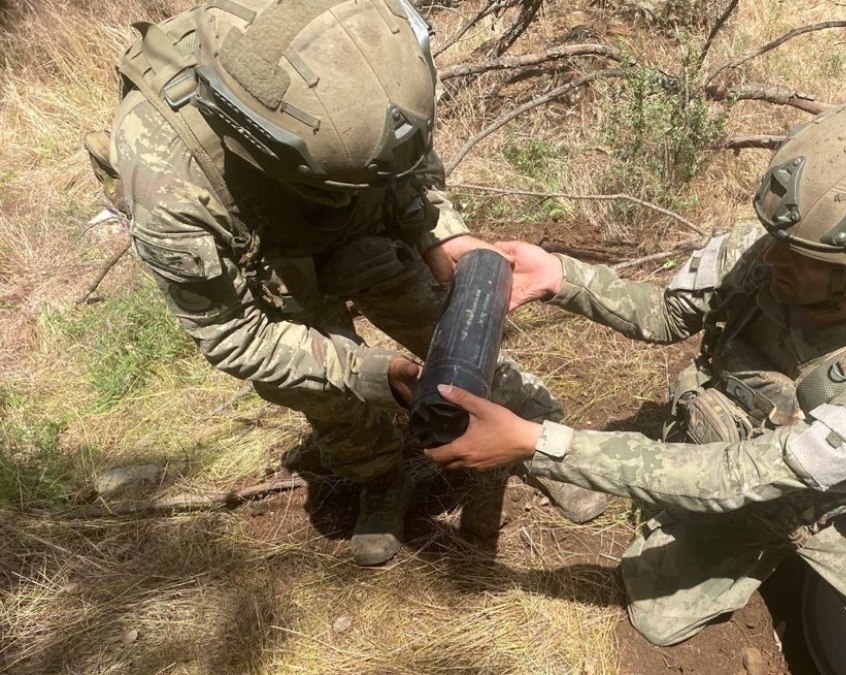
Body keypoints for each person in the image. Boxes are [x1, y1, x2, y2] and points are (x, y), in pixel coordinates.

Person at [424, 101, 846, 673]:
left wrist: (540, 443)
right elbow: (663, 314)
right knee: (656, 618)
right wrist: (562, 276)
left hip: (835, 514)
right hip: (721, 443)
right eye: (777, 237)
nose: (774, 256)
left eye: (804, 254)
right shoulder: (761, 252)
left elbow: (743, 475)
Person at [87, 0, 606, 567]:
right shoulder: (166, 176)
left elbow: (405, 155)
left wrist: (441, 234)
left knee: (451, 327)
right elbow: (233, 335)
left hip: (358, 223)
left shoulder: (362, 48)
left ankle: (538, 435)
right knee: (314, 386)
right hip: (268, 259)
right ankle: (378, 475)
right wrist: (366, 372)